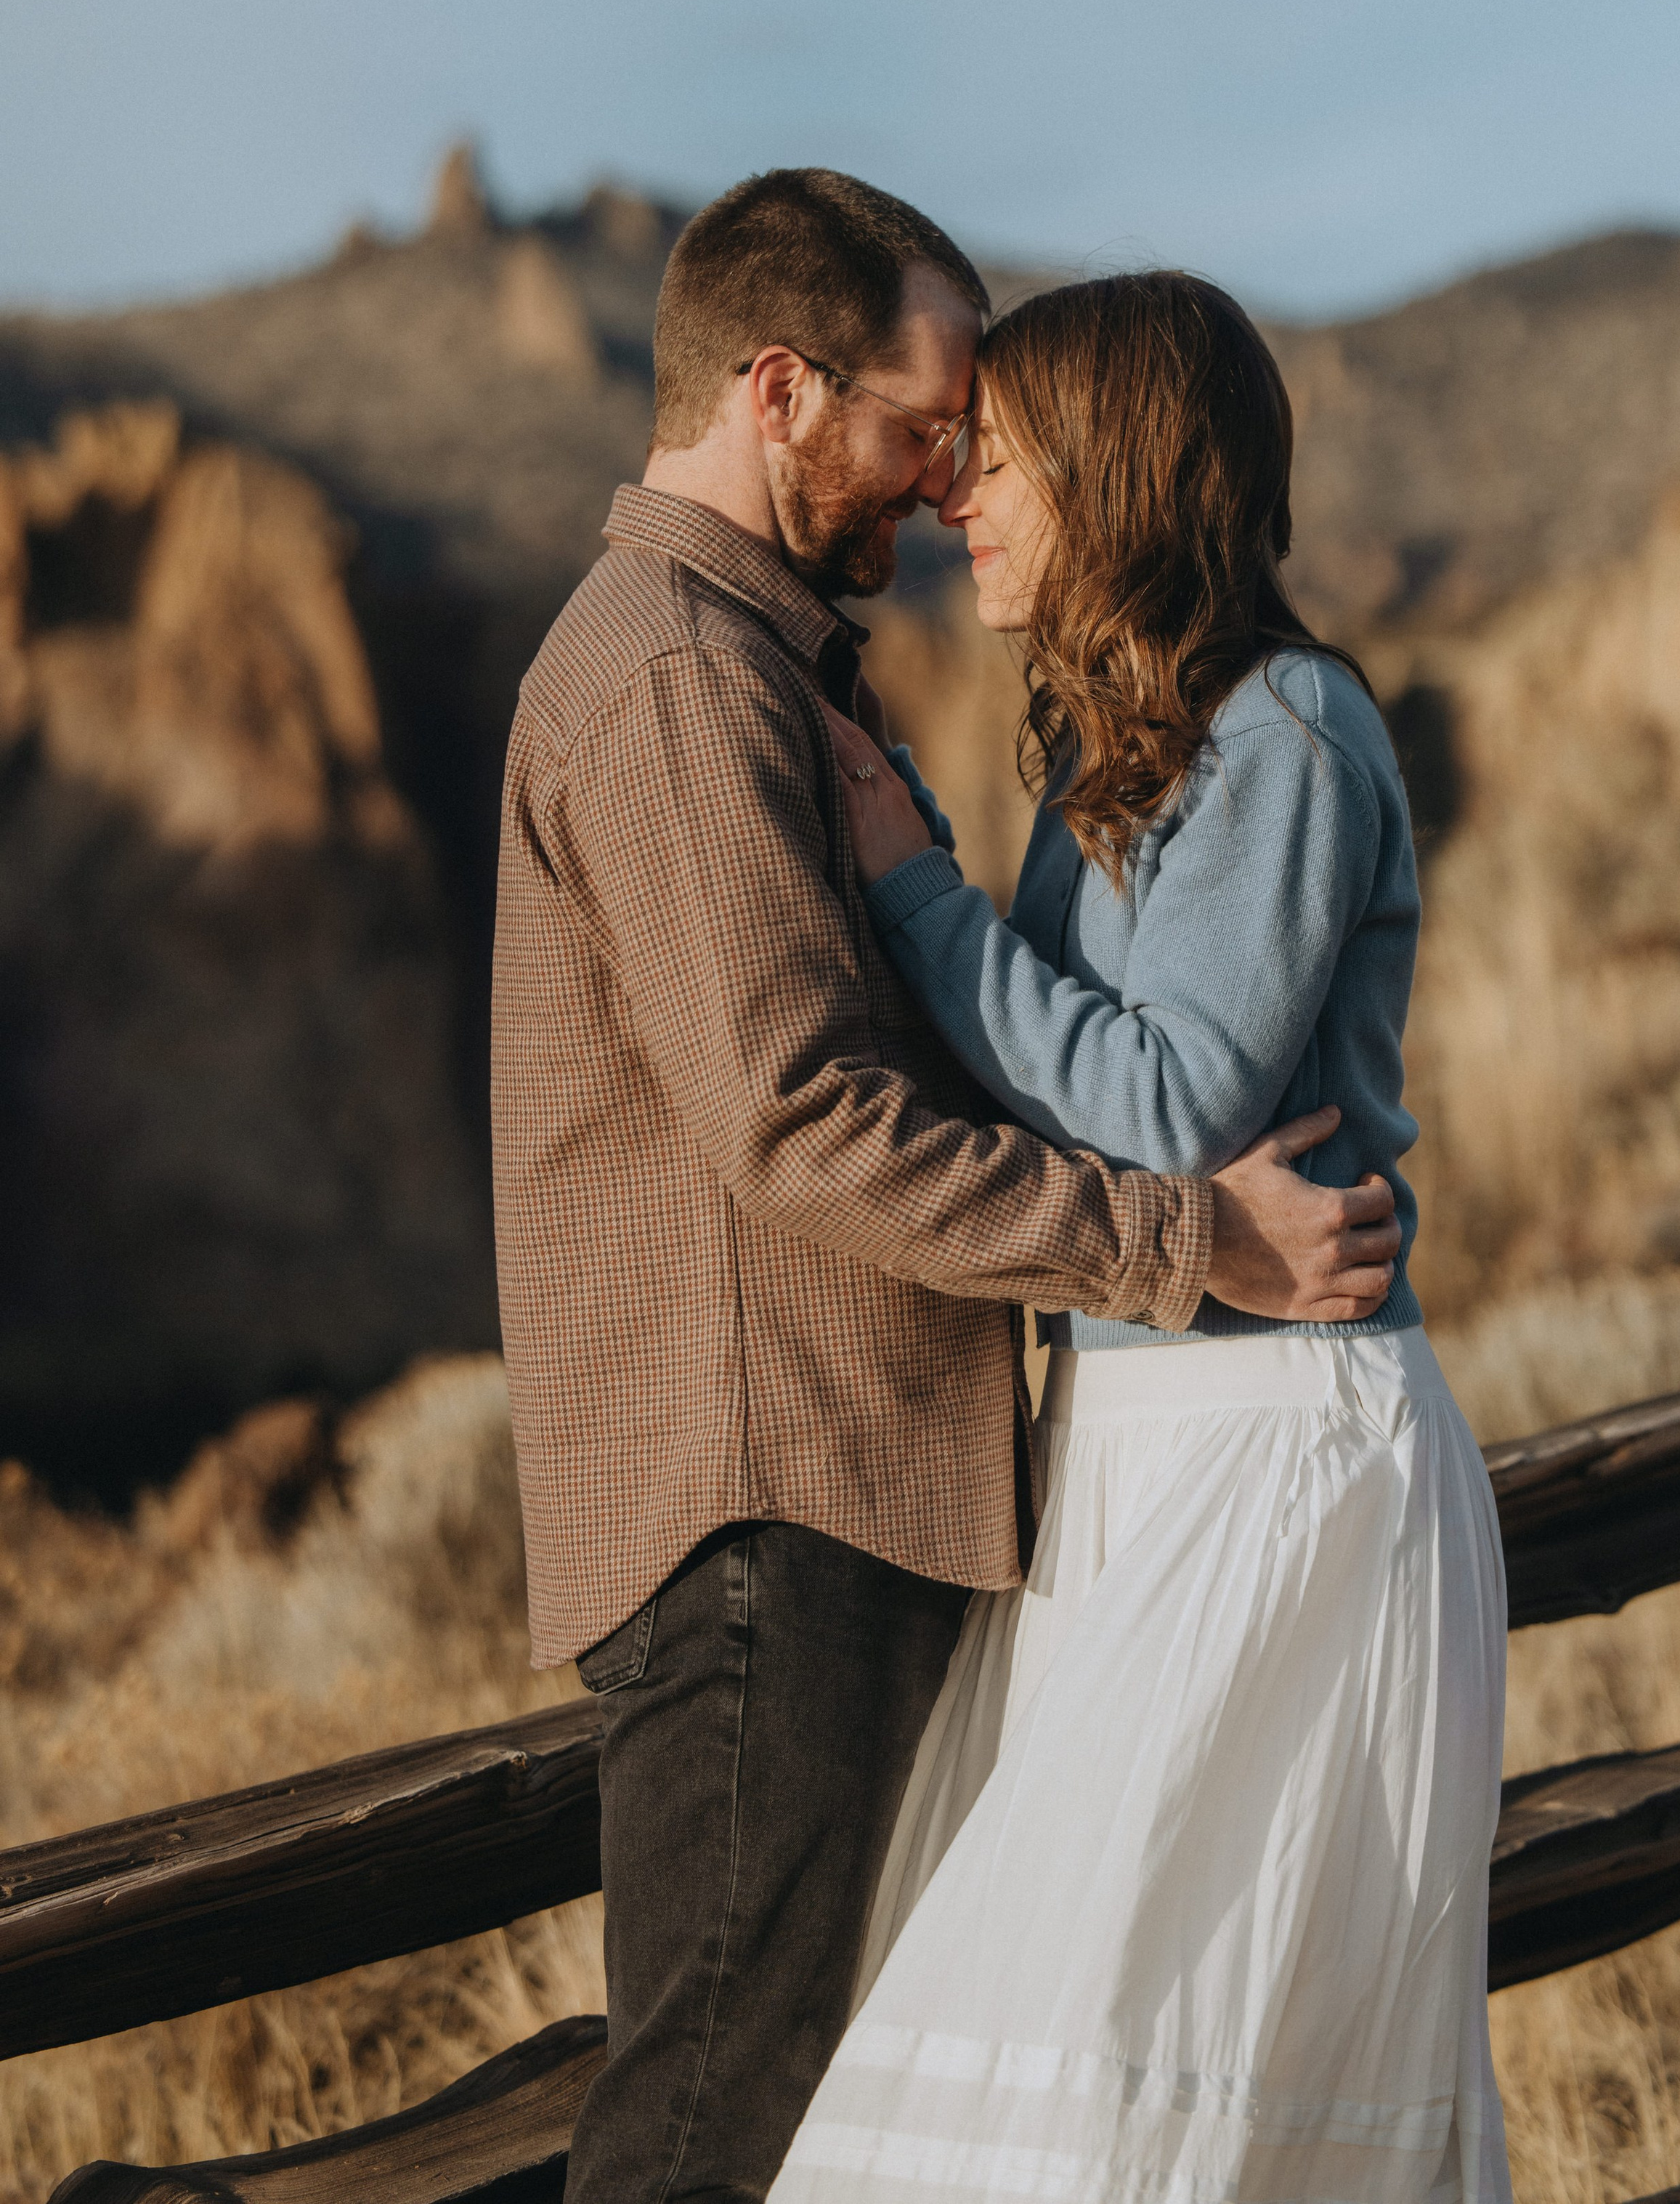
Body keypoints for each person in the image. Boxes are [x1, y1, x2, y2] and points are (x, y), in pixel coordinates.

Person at [491, 174, 1405, 2204]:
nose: (934, 484)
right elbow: (799, 1121)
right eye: (919, 430)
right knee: (730, 2125)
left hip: (849, 1497)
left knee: (862, 2118)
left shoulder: (774, 670)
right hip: (769, 1504)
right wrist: (1181, 1242)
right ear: (784, 390)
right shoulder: (672, 679)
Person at [774, 270, 1511, 2204]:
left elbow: (1169, 1105)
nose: (956, 499)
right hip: (1145, 1441)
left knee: (1124, 2059)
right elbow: (1071, 1092)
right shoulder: (1127, 751)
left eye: (997, 460)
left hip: (1277, 1456)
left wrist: (914, 893)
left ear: (1114, 474)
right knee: (1100, 2065)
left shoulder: (1288, 728)